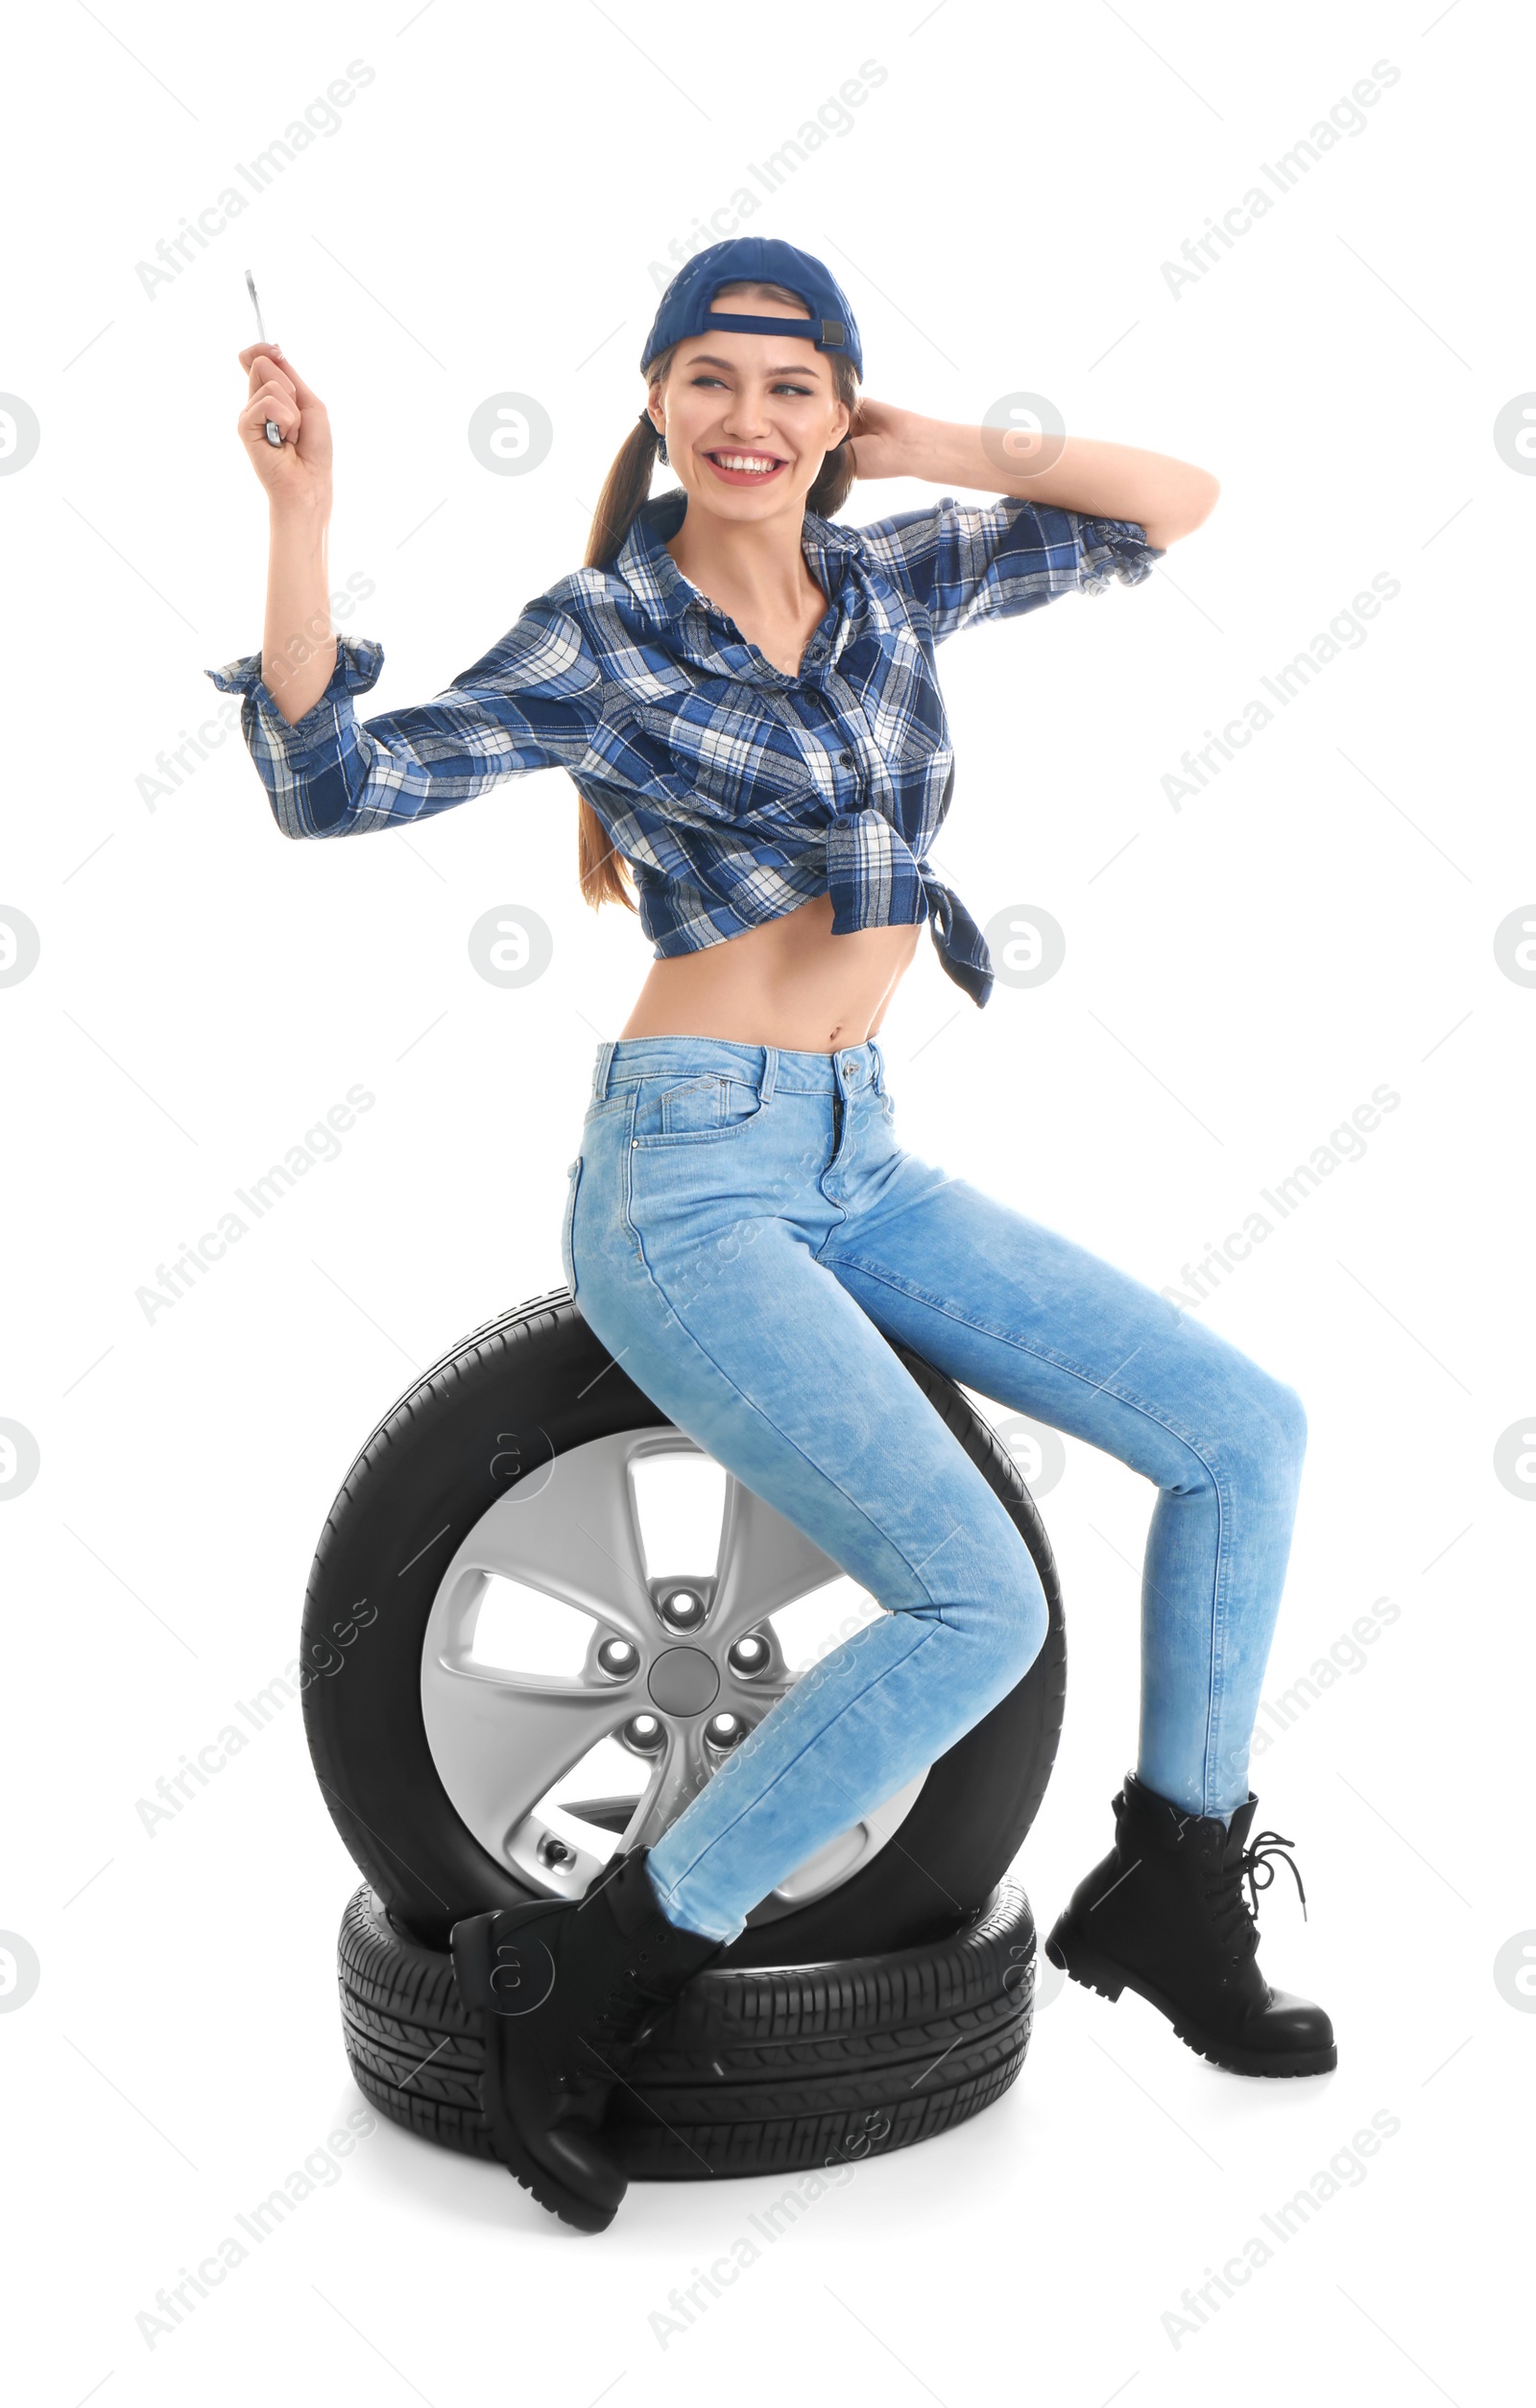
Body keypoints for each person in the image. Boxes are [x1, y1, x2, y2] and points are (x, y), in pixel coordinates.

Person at [211, 236, 1333, 2235]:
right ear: (653, 402)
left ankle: (1167, 1878)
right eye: (710, 381)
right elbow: (330, 781)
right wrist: (300, 519)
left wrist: (921, 440)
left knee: (1239, 1431)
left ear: (833, 413)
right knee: (972, 1603)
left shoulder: (893, 575)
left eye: (792, 386)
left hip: (859, 1154)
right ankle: (602, 1958)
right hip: (689, 1173)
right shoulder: (606, 631)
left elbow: (1172, 505)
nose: (750, 420)